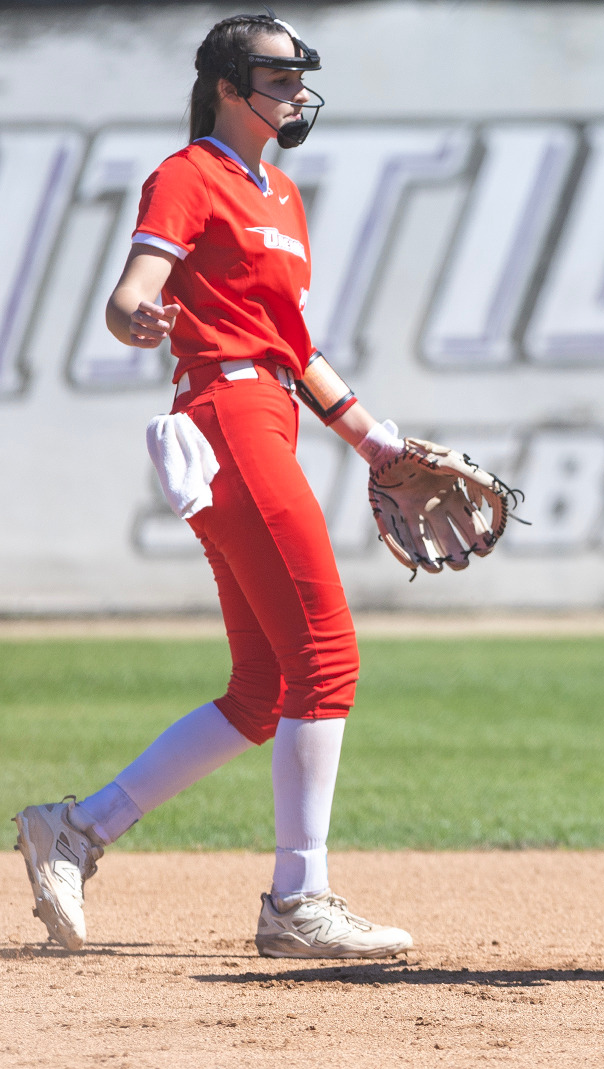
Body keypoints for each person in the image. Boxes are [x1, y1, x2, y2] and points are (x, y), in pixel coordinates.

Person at [12, 15, 501, 959]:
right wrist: (133, 317)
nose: (295, 92)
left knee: (263, 688)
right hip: (227, 416)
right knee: (328, 656)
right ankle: (299, 899)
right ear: (230, 84)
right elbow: (131, 291)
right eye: (278, 75)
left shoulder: (280, 192)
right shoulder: (188, 173)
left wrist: (373, 439)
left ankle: (75, 830)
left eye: (299, 77)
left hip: (268, 407)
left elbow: (292, 345)